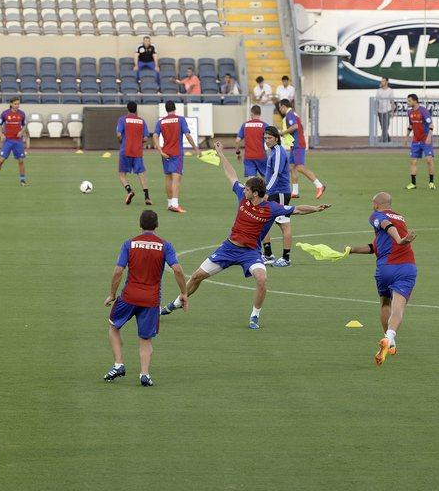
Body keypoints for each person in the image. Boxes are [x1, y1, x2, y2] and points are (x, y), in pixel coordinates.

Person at [161, 141, 329, 329]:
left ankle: (254, 316)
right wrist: (221, 154)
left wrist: (315, 208)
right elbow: (231, 175)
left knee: (262, 279)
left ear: (255, 193)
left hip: (250, 253)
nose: (244, 189)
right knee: (198, 276)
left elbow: (297, 209)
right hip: (229, 248)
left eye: (248, 189)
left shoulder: (271, 208)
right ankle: (175, 303)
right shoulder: (242, 195)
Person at [103, 210, 188, 387]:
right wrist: (184, 293)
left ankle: (119, 364)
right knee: (145, 339)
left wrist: (112, 294)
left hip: (129, 296)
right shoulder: (165, 246)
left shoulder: (129, 244)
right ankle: (144, 374)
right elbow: (178, 270)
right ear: (157, 225)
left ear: (140, 225)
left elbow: (118, 271)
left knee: (113, 326)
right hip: (151, 300)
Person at [343, 192, 418, 366]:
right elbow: (375, 247)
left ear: (377, 204)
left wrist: (399, 240)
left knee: (385, 303)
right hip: (405, 267)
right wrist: (352, 249)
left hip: (384, 270)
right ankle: (389, 337)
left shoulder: (377, 216)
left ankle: (391, 344)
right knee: (398, 307)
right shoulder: (400, 218)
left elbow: (386, 224)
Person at [153, 100, 198, 213]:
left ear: (166, 109)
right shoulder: (180, 119)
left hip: (165, 152)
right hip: (176, 153)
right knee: (176, 179)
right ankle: (175, 204)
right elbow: (187, 135)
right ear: (175, 108)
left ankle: (169, 203)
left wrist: (160, 150)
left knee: (168, 178)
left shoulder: (161, 122)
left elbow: (154, 136)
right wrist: (195, 148)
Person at [278, 99, 325, 199]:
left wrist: (282, 133)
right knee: (291, 167)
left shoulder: (290, 115)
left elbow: (294, 126)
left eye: (280, 107)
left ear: (283, 106)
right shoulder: (293, 114)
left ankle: (319, 185)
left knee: (299, 167)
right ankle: (295, 191)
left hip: (298, 144)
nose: (279, 109)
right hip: (294, 144)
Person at [260, 126, 293, 267]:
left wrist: (266, 191)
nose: (267, 141)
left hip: (279, 192)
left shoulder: (279, 151)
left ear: (276, 138)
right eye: (265, 138)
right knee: (262, 222)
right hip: (273, 191)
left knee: (284, 225)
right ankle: (268, 255)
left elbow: (276, 174)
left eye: (269, 138)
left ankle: (286, 258)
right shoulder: (272, 151)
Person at [117, 101, 152, 205]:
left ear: (127, 109)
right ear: (136, 109)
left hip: (125, 150)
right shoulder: (142, 121)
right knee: (141, 174)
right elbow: (145, 138)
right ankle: (147, 197)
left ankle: (129, 191)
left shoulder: (122, 119)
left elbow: (119, 134)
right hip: (137, 151)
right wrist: (138, 141)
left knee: (122, 174)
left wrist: (121, 140)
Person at [0, 97, 29, 187]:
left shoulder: (22, 114)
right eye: (15, 104)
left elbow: (24, 125)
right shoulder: (5, 113)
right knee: (1, 160)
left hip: (18, 141)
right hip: (8, 141)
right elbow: (0, 125)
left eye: (18, 104)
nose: (17, 106)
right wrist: (1, 134)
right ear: (11, 104)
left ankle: (22, 181)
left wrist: (21, 132)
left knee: (21, 161)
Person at [404, 94, 435, 191]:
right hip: (415, 140)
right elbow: (410, 125)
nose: (407, 102)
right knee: (413, 162)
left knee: (429, 161)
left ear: (415, 101)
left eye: (409, 101)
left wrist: (429, 137)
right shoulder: (410, 112)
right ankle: (413, 183)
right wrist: (406, 137)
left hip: (425, 140)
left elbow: (431, 124)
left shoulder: (423, 111)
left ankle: (431, 182)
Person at [235, 104, 266, 177]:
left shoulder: (245, 125)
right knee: (266, 179)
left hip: (249, 157)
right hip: (261, 156)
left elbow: (237, 141)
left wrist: (238, 153)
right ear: (260, 114)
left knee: (251, 181)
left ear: (251, 113)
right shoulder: (264, 125)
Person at [375, 77, 393, 143]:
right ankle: (388, 139)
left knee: (386, 126)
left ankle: (383, 140)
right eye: (381, 81)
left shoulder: (390, 90)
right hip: (380, 111)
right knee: (383, 127)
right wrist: (376, 110)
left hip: (387, 110)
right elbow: (376, 101)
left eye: (383, 81)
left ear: (387, 82)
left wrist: (393, 111)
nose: (382, 82)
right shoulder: (378, 90)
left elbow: (392, 101)